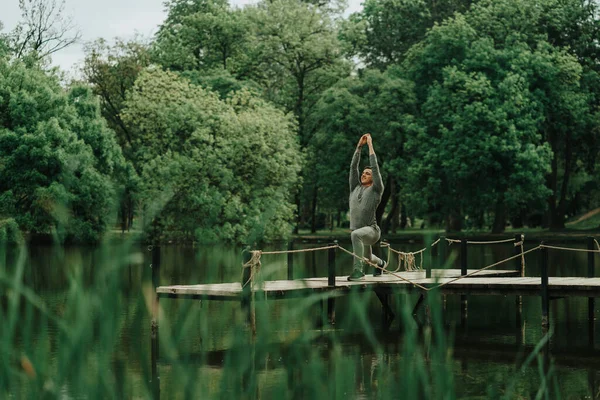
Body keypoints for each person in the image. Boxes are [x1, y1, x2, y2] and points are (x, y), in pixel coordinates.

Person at [347, 133, 387, 281]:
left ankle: (358, 272)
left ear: (373, 178)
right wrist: (358, 147)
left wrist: (370, 146)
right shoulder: (354, 188)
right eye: (363, 173)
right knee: (369, 257)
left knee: (355, 235)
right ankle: (381, 263)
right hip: (362, 232)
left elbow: (375, 168)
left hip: (372, 231)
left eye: (367, 174)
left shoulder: (376, 189)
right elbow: (353, 168)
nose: (364, 175)